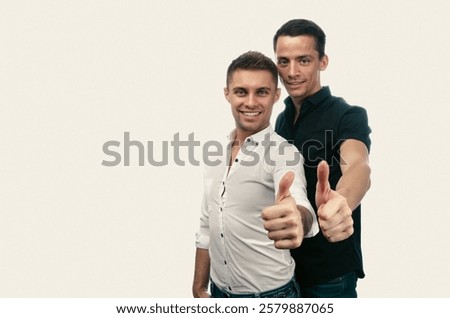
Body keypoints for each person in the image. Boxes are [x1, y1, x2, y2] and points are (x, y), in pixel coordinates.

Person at [192, 51, 318, 298]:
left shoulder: (284, 154)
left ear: (276, 96)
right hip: (218, 292)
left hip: (272, 297)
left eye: (261, 92)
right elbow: (207, 224)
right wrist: (198, 287)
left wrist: (299, 218)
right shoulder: (215, 153)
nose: (250, 102)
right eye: (241, 92)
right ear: (227, 94)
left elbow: (300, 205)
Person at [270, 19, 372, 297]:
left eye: (303, 60)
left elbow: (359, 166)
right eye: (283, 61)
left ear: (322, 61)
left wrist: (343, 201)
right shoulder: (281, 120)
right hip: (286, 271)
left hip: (331, 273)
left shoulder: (347, 115)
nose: (292, 72)